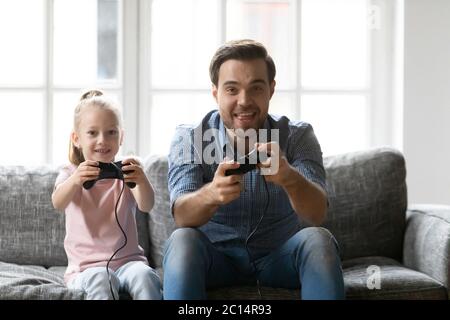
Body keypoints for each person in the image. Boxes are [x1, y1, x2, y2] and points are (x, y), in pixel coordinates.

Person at [163, 39, 345, 299]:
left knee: (319, 239)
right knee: (182, 240)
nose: (244, 101)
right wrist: (212, 194)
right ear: (215, 92)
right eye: (232, 89)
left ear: (271, 89)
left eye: (256, 88)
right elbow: (181, 215)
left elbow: (316, 214)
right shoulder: (189, 137)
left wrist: (290, 179)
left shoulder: (297, 136)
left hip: (279, 258)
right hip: (215, 260)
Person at [52, 90, 162, 300]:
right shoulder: (70, 173)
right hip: (85, 269)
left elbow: (146, 205)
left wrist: (141, 179)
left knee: (145, 275)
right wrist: (75, 180)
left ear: (121, 137)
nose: (102, 140)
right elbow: (58, 202)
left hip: (129, 263)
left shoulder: (128, 171)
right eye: (92, 133)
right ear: (77, 139)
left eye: (111, 132)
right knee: (101, 277)